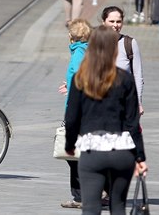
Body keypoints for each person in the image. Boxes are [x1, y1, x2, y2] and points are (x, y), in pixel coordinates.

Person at [64, 25, 147, 215]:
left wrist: (70, 144)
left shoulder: (81, 78)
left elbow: (72, 117)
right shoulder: (125, 79)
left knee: (91, 207)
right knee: (117, 206)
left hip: (93, 151)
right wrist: (140, 157)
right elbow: (133, 122)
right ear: (114, 50)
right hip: (122, 152)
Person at [58, 18, 92, 209]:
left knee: (74, 155)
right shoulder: (87, 51)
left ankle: (81, 196)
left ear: (71, 37)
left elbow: (81, 80)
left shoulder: (79, 53)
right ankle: (82, 194)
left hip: (78, 109)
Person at [101, 6, 144, 112]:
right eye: (111, 21)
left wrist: (138, 102)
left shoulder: (129, 43)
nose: (115, 25)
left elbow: (138, 76)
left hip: (125, 101)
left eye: (118, 21)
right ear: (103, 22)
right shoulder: (96, 43)